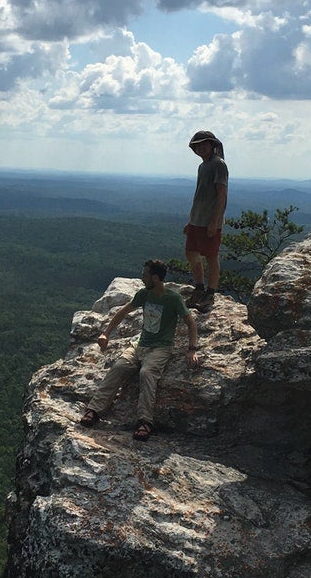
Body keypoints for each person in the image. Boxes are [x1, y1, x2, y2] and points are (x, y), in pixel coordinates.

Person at [80, 259, 199, 441]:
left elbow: (191, 323)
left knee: (147, 372)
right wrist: (106, 334)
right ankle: (94, 410)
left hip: (160, 348)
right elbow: (122, 312)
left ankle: (145, 421)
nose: (142, 278)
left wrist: (192, 349)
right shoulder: (144, 294)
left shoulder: (173, 299)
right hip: (139, 344)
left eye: (145, 275)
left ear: (156, 278)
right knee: (119, 367)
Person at [184, 129, 228, 312]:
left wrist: (214, 221)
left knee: (211, 256)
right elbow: (199, 196)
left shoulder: (219, 165)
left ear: (212, 144)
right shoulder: (203, 166)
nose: (201, 148)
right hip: (197, 220)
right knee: (191, 252)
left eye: (204, 144)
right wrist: (191, 220)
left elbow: (221, 195)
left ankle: (210, 293)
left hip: (209, 221)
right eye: (197, 145)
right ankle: (200, 287)